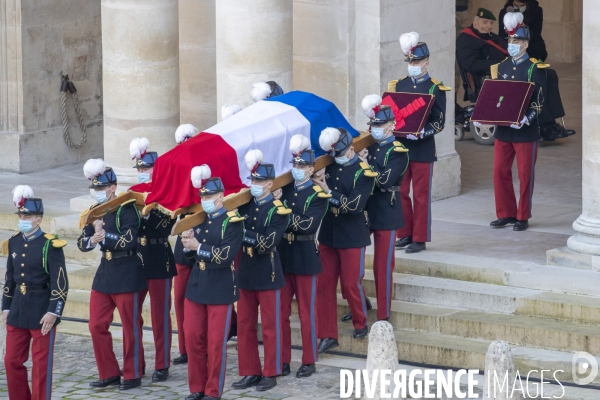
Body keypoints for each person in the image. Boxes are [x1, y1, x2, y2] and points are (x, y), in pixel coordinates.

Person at [77, 158, 146, 390]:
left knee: (130, 326)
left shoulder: (126, 209)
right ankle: (109, 372)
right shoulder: (94, 212)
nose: (96, 192)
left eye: (100, 188)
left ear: (112, 187)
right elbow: (82, 242)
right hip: (105, 272)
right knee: (96, 324)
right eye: (94, 188)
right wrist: (91, 238)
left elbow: (129, 240)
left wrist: (105, 236)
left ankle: (133, 372)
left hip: (127, 270)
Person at [180, 165, 244, 400]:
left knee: (216, 344)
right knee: (193, 337)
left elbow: (225, 255)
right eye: (202, 196)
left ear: (220, 195)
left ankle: (212, 390)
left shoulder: (232, 222)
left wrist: (198, 247)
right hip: (197, 284)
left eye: (209, 196)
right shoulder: (198, 220)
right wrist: (186, 243)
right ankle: (196, 387)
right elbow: (186, 256)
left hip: (220, 286)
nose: (205, 200)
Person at [313, 127, 377, 354]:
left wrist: (327, 191)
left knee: (350, 283)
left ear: (351, 148)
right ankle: (327, 334)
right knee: (324, 285)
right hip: (330, 232)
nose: (338, 157)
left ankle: (360, 321)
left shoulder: (363, 172)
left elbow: (354, 205)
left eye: (341, 152)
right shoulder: (327, 166)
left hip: (352, 233)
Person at [2, 186, 68, 400]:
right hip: (18, 309)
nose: (22, 218)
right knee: (11, 361)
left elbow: (60, 282)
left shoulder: (50, 245)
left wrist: (53, 312)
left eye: (27, 215)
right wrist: (5, 306)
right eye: (21, 214)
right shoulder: (14, 241)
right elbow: (9, 278)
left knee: (41, 367)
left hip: (41, 311)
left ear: (38, 219)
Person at [232, 150, 290, 392]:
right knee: (245, 325)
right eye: (252, 180)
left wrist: (243, 233)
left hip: (268, 271)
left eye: (258, 181)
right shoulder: (243, 207)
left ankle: (271, 371)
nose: (254, 185)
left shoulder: (279, 210)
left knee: (270, 325)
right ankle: (249, 371)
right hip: (246, 270)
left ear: (269, 183)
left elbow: (268, 242)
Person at [391, 32, 449, 253]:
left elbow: (439, 121)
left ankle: (420, 238)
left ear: (427, 62)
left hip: (423, 148)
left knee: (422, 195)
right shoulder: (399, 85)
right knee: (401, 191)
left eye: (417, 61)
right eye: (411, 61)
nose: (413, 65)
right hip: (402, 148)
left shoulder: (434, 88)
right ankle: (404, 233)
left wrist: (422, 132)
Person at [278, 136, 329, 378]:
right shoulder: (285, 189)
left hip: (305, 254)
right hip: (284, 254)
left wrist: (282, 211)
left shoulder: (318, 195)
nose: (297, 170)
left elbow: (306, 225)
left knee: (307, 312)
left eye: (301, 167)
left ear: (311, 169)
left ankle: (309, 359)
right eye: (294, 166)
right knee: (281, 312)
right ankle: (283, 359)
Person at [489, 12, 546, 232]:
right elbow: (497, 96)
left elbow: (540, 100)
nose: (513, 44)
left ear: (526, 43)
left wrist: (526, 118)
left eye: (518, 41)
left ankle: (522, 215)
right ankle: (505, 213)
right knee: (499, 171)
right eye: (511, 41)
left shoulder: (534, 68)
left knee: (525, 175)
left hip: (525, 130)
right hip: (504, 129)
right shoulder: (502, 66)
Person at [129, 138, 176, 383]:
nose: (143, 173)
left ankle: (162, 363)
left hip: (159, 257)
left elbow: (163, 227)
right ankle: (136, 364)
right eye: (140, 169)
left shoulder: (166, 194)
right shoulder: (131, 195)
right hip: (136, 258)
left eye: (147, 168)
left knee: (160, 315)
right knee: (132, 314)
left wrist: (143, 212)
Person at [362, 99, 409, 321]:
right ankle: (360, 302)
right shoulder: (367, 145)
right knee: (354, 265)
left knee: (382, 267)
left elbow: (383, 180)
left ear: (392, 125)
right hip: (365, 208)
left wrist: (363, 165)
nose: (376, 129)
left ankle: (383, 313)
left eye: (380, 125)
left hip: (386, 209)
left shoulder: (398, 151)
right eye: (373, 125)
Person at [456, 8, 508, 100]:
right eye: (485, 22)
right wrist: (501, 64)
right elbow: (472, 65)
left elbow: (507, 50)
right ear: (475, 23)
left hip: (503, 73)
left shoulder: (491, 36)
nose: (489, 26)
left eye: (491, 23)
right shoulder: (466, 39)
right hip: (485, 79)